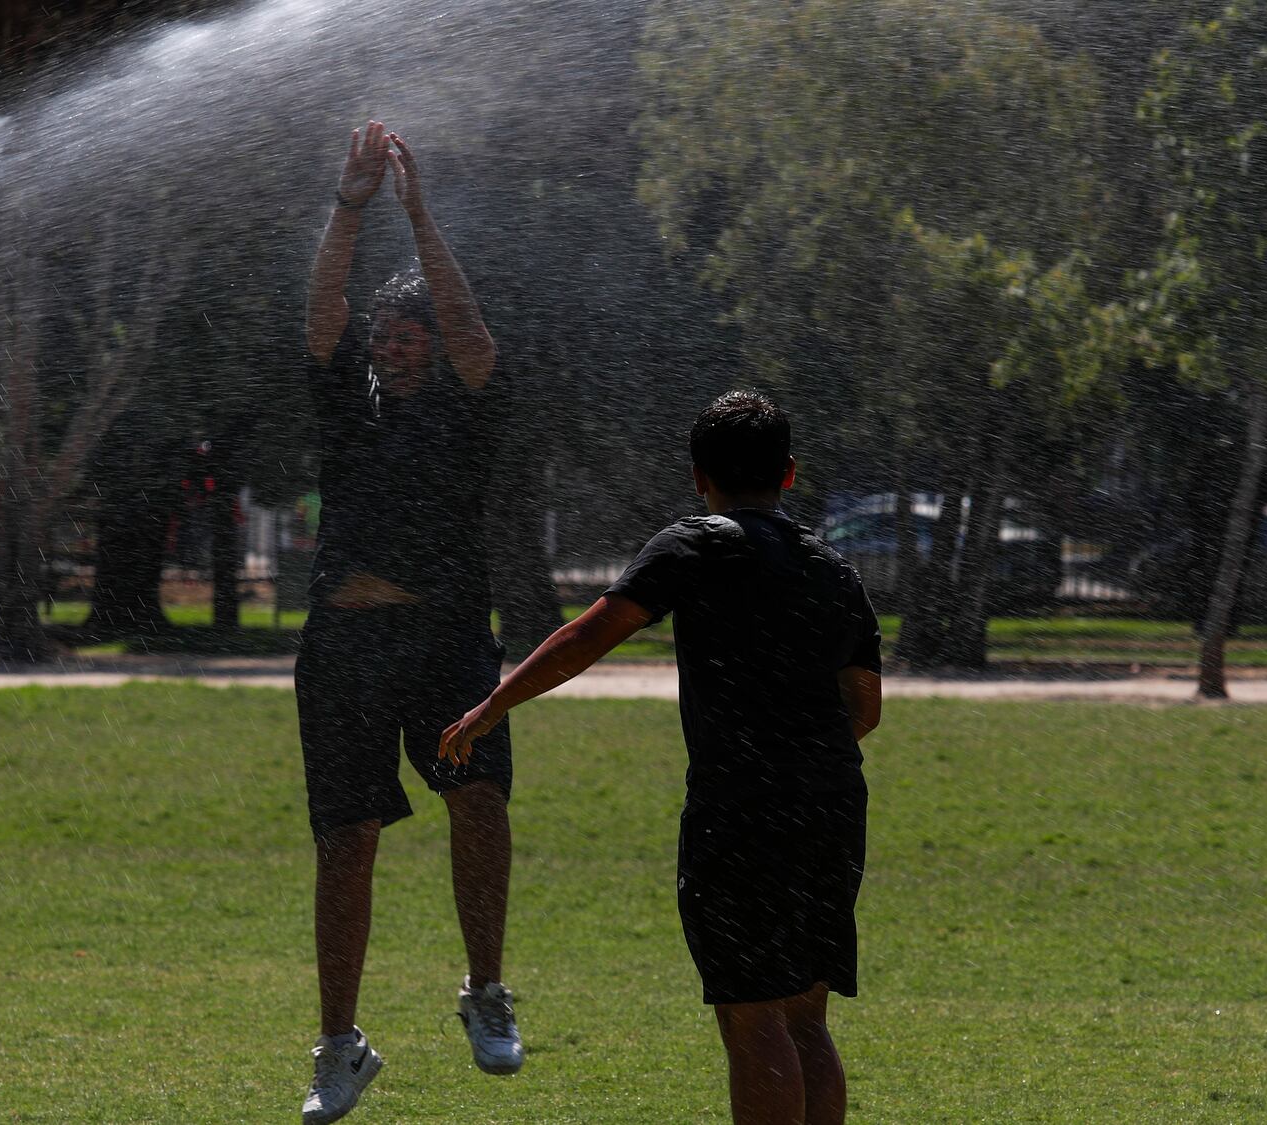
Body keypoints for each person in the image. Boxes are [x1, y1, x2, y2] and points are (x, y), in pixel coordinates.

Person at [442, 390, 882, 1125]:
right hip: (833, 803)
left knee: (753, 1013)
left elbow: (590, 633)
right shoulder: (833, 568)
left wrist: (495, 703)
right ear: (789, 473)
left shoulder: (695, 545)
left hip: (741, 806)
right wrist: (801, 748)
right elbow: (864, 708)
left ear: (698, 475)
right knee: (807, 1013)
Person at [297, 120, 521, 1125]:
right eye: (382, 336)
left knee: (478, 800)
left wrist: (419, 214)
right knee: (345, 839)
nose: (389, 347)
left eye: (406, 334)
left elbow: (473, 333)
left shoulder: (468, 407)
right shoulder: (348, 405)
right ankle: (338, 1047)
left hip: (445, 640)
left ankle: (485, 991)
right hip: (343, 647)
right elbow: (322, 312)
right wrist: (349, 206)